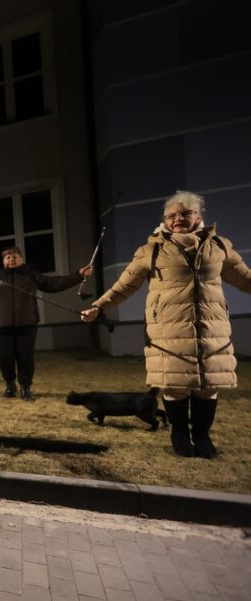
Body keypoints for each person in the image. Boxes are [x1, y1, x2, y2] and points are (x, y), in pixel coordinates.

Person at [81, 191, 250, 457]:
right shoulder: (152, 249)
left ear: (199, 216)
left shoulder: (219, 246)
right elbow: (125, 285)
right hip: (168, 330)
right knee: (175, 386)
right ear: (165, 220)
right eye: (172, 215)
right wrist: (98, 306)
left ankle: (202, 436)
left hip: (211, 328)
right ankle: (180, 434)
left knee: (208, 387)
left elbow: (245, 279)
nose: (178, 219)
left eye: (185, 213)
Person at [0, 246, 93, 400]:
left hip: (27, 325)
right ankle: (10, 385)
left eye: (15, 256)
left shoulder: (30, 275)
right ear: (3, 261)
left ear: (21, 259)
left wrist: (78, 275)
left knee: (25, 357)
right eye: (7, 257)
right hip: (2, 326)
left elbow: (53, 284)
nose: (11, 259)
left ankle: (25, 387)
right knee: (5, 358)